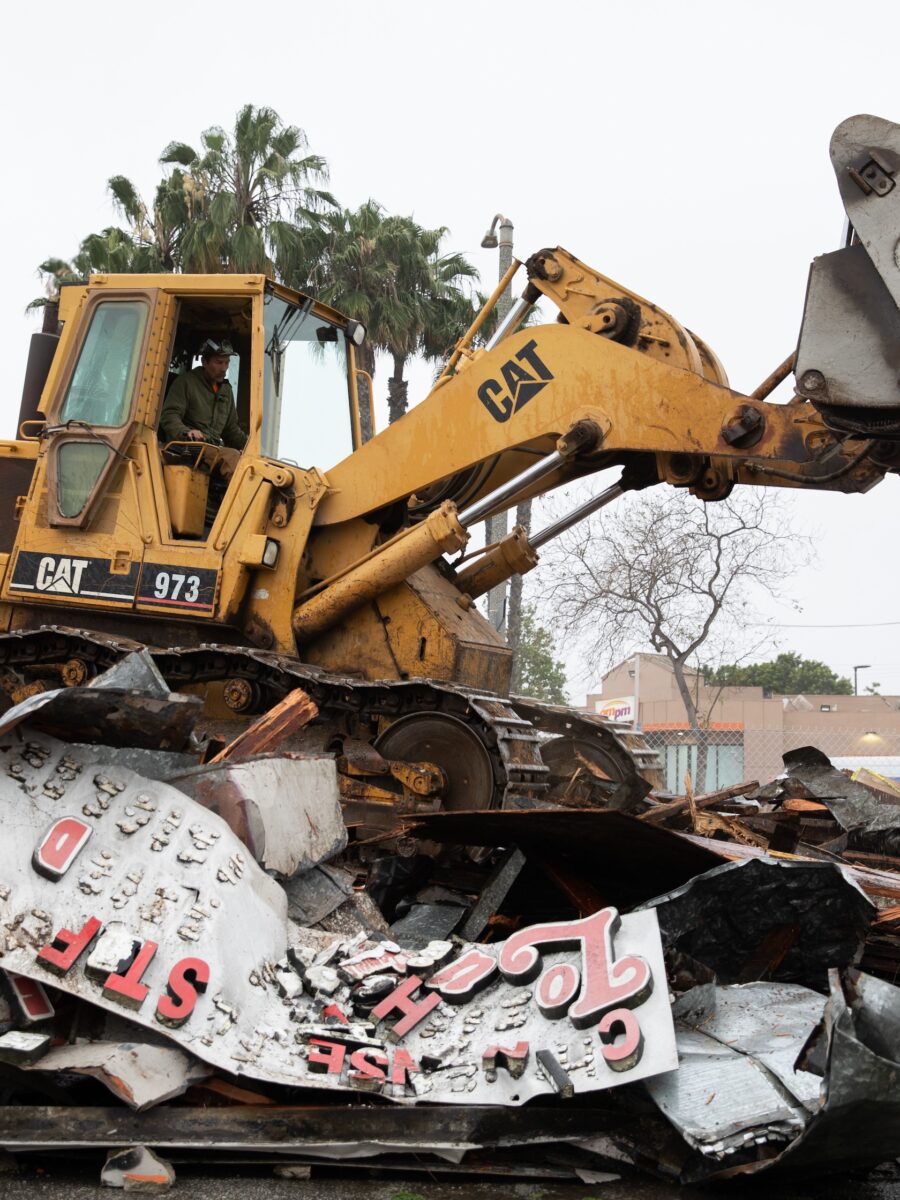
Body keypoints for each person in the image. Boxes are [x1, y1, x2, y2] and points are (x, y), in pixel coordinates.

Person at [159, 338, 247, 452]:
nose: (224, 368)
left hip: (212, 450)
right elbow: (169, 416)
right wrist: (187, 433)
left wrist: (252, 446)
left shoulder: (226, 390)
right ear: (204, 362)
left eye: (227, 362)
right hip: (186, 449)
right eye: (219, 362)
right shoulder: (186, 383)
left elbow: (230, 429)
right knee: (231, 458)